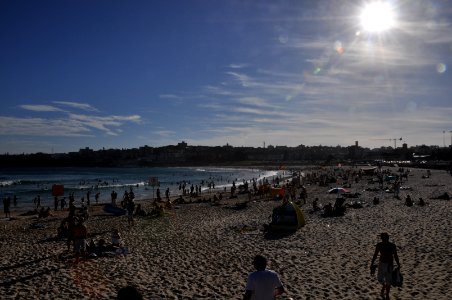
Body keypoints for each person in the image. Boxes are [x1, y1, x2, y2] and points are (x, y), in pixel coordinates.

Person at [370, 233, 401, 300]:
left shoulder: (390, 246)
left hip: (388, 264)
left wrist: (372, 263)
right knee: (382, 279)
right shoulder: (381, 245)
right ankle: (384, 287)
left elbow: (395, 256)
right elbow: (375, 255)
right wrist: (398, 264)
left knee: (388, 280)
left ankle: (387, 294)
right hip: (383, 264)